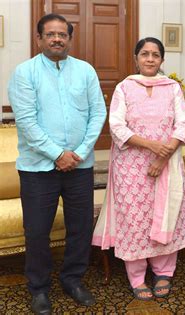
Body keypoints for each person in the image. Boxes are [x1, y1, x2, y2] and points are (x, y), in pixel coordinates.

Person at [8, 13, 106, 314]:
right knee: (37, 231)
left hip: (80, 166)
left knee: (80, 227)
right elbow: (26, 122)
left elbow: (98, 114)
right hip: (38, 169)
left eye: (62, 34)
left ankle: (73, 279)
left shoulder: (85, 71)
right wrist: (57, 154)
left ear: (69, 38)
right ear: (39, 39)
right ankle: (38, 288)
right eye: (50, 34)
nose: (56, 39)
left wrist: (78, 152)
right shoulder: (25, 73)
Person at [92, 37, 185, 300]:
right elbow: (116, 127)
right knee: (134, 218)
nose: (149, 59)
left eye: (155, 55)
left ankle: (164, 272)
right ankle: (136, 276)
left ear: (162, 60)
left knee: (167, 212)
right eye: (144, 54)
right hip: (131, 169)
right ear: (136, 58)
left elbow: (182, 124)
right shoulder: (125, 87)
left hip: (167, 165)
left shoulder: (172, 88)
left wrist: (162, 156)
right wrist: (150, 146)